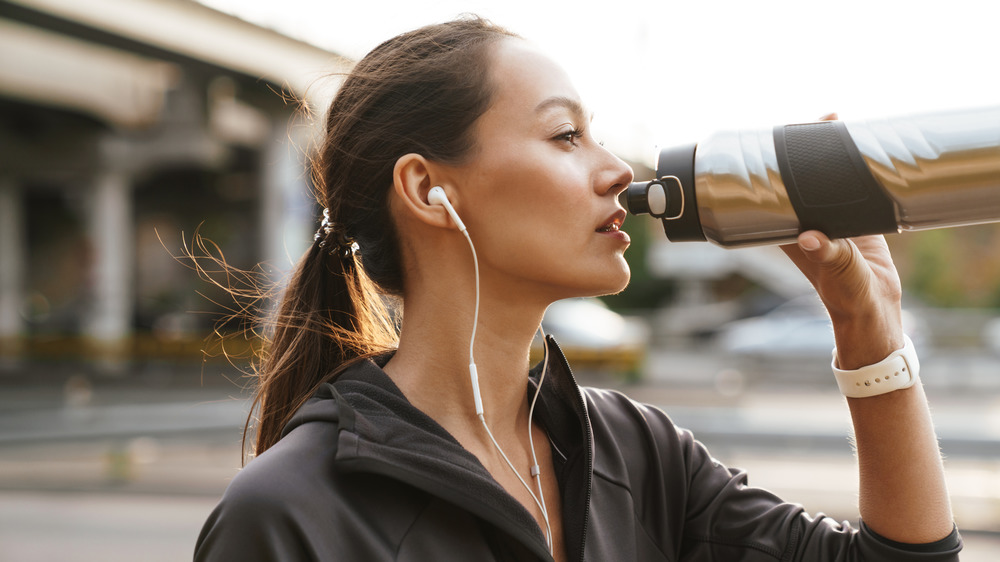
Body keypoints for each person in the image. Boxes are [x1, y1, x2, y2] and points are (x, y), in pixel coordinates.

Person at [195, 16, 962, 561]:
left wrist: (871, 327)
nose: (617, 170)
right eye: (567, 135)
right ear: (430, 191)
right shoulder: (291, 516)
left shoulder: (639, 454)